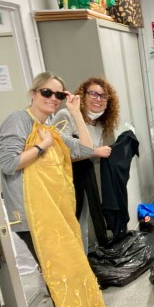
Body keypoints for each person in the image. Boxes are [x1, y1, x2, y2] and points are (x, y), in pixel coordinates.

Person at [0, 72, 123, 307]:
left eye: (59, 94)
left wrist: (75, 112)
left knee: (71, 273)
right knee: (63, 277)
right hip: (32, 217)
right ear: (33, 93)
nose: (53, 98)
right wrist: (41, 146)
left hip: (54, 215)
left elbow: (86, 148)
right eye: (46, 92)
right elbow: (8, 163)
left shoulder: (50, 128)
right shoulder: (20, 120)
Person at [52, 77, 120, 251]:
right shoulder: (66, 116)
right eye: (93, 94)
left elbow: (91, 155)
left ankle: (83, 261)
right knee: (69, 226)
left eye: (103, 96)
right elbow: (56, 153)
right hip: (63, 179)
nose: (98, 99)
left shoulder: (99, 124)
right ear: (83, 95)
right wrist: (94, 152)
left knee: (82, 224)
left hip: (84, 178)